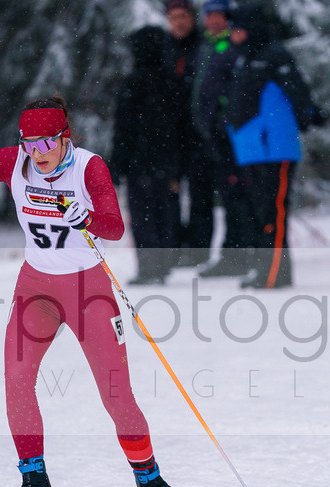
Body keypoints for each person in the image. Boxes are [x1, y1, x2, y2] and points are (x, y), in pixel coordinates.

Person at [0, 96, 196, 487]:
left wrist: (86, 218)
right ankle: (35, 485)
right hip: (35, 289)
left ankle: (151, 482)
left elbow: (115, 225)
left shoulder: (90, 167)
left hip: (88, 290)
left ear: (64, 137)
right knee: (16, 379)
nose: (37, 153)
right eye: (29, 143)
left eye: (46, 143)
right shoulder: (14, 161)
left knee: (115, 392)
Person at [224, 4, 327, 289]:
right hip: (251, 149)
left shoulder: (273, 55)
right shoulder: (241, 58)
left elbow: (297, 88)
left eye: (238, 27)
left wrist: (310, 114)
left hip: (274, 147)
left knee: (274, 211)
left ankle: (274, 274)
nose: (233, 33)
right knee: (260, 212)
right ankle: (264, 269)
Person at [112, 26, 186, 285]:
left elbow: (123, 128)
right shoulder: (172, 82)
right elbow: (181, 126)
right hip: (167, 160)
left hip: (139, 162)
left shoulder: (133, 84)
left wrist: (117, 164)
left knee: (144, 214)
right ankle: (163, 264)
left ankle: (149, 267)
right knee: (165, 211)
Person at [193, 0, 256, 279]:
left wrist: (224, 118)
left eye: (219, 16)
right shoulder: (204, 46)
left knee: (236, 193)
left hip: (228, 132)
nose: (214, 21)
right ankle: (235, 251)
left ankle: (240, 253)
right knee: (226, 194)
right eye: (210, 16)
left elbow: (234, 88)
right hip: (208, 132)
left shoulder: (233, 46)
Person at [165, 0, 216, 269]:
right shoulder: (164, 48)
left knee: (201, 192)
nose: (179, 22)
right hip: (171, 133)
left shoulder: (203, 46)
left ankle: (198, 249)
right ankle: (175, 246)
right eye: (174, 17)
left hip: (198, 132)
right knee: (170, 191)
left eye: (183, 16)